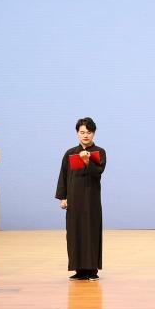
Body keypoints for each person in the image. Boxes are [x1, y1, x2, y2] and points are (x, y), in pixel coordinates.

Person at [56, 117, 107, 281]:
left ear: (94, 133)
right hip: (74, 199)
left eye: (89, 132)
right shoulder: (70, 153)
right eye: (82, 132)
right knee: (74, 233)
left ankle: (92, 270)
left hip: (91, 199)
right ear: (77, 133)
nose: (85, 135)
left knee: (91, 232)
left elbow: (98, 172)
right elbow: (63, 176)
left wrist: (87, 161)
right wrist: (63, 197)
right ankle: (79, 270)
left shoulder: (99, 152)